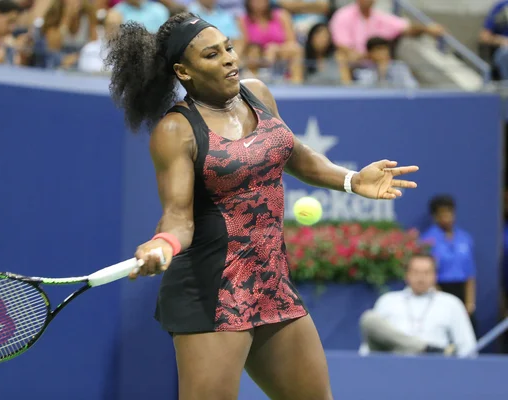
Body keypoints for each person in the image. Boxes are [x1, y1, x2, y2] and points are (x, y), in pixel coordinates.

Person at [105, 12, 419, 399]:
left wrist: (352, 180)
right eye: (212, 55)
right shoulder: (177, 130)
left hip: (271, 282)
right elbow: (178, 216)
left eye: (229, 48)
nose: (229, 59)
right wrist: (163, 243)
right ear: (183, 71)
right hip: (212, 292)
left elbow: (298, 156)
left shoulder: (257, 93)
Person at [359, 254, 477, 358]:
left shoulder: (451, 303)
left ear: (435, 276)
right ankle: (425, 348)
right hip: (393, 362)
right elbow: (368, 345)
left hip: (434, 365)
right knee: (369, 318)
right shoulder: (388, 300)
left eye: (426, 273)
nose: (421, 278)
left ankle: (425, 350)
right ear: (407, 275)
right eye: (415, 272)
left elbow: (467, 346)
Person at [420, 195, 477, 330]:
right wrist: (441, 300)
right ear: (435, 216)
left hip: (461, 291)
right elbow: (428, 273)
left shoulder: (465, 238)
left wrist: (469, 303)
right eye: (442, 214)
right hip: (439, 291)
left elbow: (470, 273)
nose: (447, 217)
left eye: (449, 212)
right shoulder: (427, 240)